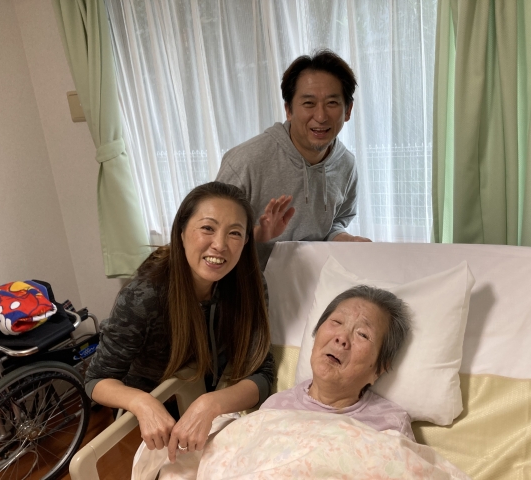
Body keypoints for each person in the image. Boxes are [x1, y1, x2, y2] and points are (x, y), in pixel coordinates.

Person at [84, 181, 274, 462]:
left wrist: (210, 404)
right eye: (207, 228)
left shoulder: (248, 285)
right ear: (182, 232)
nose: (220, 245)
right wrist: (142, 402)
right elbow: (96, 380)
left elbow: (262, 372)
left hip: (213, 400)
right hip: (158, 416)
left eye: (234, 233)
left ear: (246, 241)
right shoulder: (144, 296)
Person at [216, 49, 370, 268]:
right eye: (309, 103)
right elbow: (215, 233)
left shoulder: (346, 165)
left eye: (332, 103)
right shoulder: (246, 160)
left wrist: (342, 238)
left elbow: (336, 222)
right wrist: (259, 233)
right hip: (251, 283)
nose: (321, 116)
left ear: (348, 110)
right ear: (288, 110)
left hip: (313, 280)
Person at [260, 285, 414, 440]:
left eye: (362, 334)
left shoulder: (391, 426)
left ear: (379, 369)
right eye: (337, 321)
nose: (341, 338)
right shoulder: (274, 409)